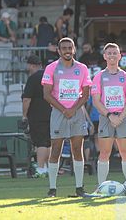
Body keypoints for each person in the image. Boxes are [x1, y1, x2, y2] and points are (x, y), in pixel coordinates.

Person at [41, 37, 92, 197]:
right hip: (58, 112)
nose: (67, 50)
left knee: (77, 149)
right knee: (56, 149)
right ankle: (52, 189)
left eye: (70, 47)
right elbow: (46, 95)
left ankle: (79, 188)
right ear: (58, 50)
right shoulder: (51, 68)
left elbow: (85, 95)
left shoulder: (82, 68)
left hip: (77, 112)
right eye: (64, 48)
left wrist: (73, 109)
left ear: (74, 49)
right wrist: (64, 110)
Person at [91, 43, 126, 185]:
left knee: (125, 153)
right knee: (104, 154)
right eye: (109, 53)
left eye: (114, 53)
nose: (112, 55)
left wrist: (120, 117)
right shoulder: (98, 77)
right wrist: (110, 116)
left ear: (120, 56)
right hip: (106, 118)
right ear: (104, 56)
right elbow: (96, 101)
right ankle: (101, 187)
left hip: (123, 118)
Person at [22, 55, 52, 177]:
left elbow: (26, 100)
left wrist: (24, 116)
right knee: (49, 142)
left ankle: (40, 169)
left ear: (32, 65)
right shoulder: (50, 76)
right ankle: (50, 168)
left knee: (41, 143)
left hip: (37, 115)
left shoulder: (33, 78)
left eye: (28, 65)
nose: (27, 67)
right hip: (52, 113)